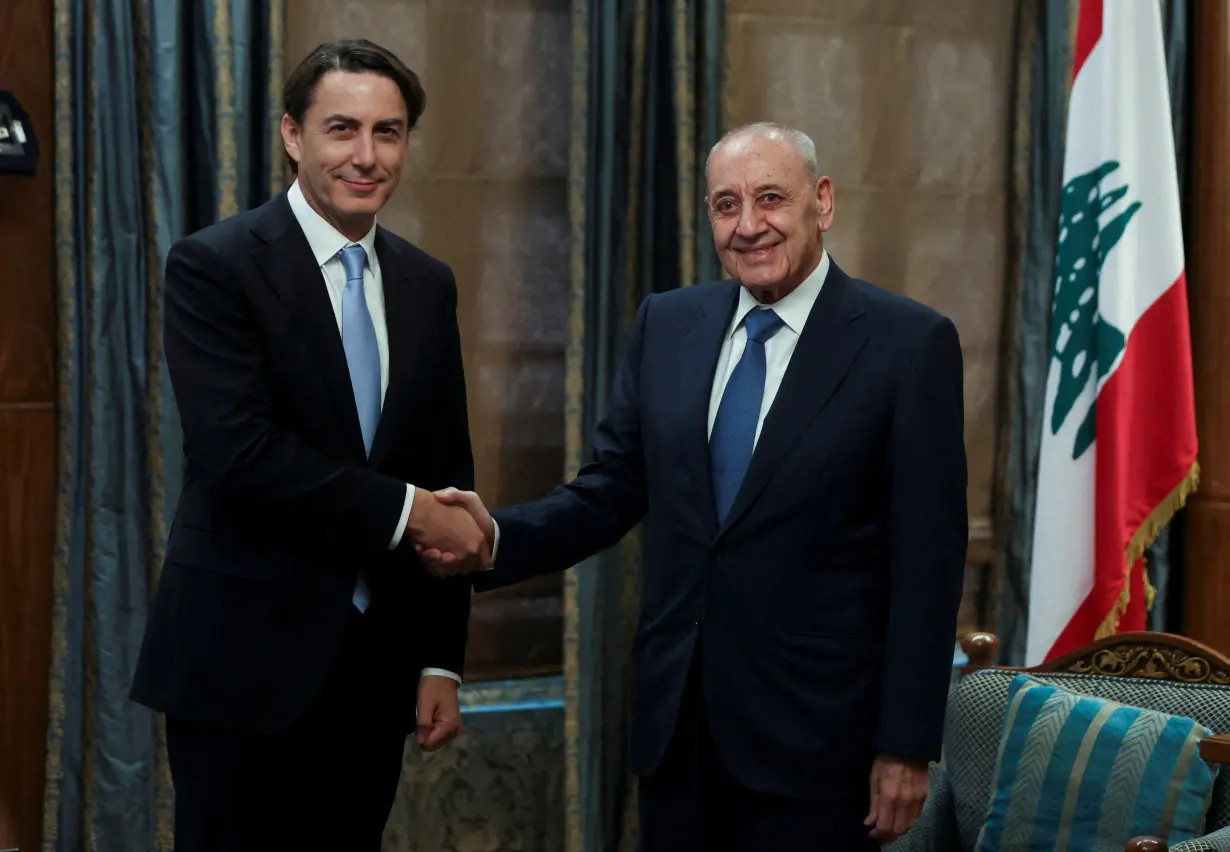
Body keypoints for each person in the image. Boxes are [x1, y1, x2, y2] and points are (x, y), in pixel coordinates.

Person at [421, 122, 968, 849]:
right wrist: (496, 537)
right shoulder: (669, 323)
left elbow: (927, 565)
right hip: (678, 734)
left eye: (771, 198)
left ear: (823, 202)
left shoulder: (908, 344)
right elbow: (611, 489)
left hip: (819, 748)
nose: (748, 226)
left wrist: (905, 745)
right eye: (725, 204)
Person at [130, 39, 490, 852]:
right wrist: (409, 514)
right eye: (342, 130)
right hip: (240, 668)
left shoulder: (426, 282)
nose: (367, 157)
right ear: (293, 135)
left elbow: (444, 469)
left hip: (375, 676)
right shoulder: (214, 265)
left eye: (389, 133)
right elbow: (240, 454)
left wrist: (441, 659)